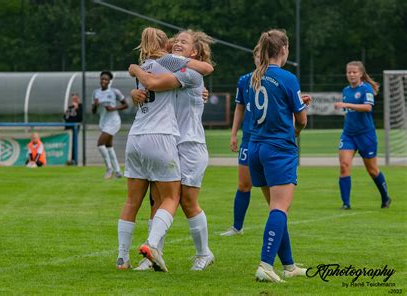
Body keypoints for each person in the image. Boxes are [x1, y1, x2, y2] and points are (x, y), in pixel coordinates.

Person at [116, 27, 213, 272]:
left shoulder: (190, 74)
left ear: (195, 51)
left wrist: (136, 70)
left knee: (187, 202)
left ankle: (203, 253)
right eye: (176, 40)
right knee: (158, 200)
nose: (178, 43)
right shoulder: (172, 66)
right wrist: (134, 91)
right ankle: (151, 256)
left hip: (189, 144)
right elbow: (151, 85)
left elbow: (154, 82)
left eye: (184, 41)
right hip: (167, 141)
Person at [247, 29, 309, 283]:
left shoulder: (254, 76)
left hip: (256, 148)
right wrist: (295, 129)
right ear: (284, 49)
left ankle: (289, 266)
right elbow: (301, 120)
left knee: (275, 208)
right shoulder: (287, 77)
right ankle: (265, 264)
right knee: (280, 208)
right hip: (278, 149)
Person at [334, 61, 391, 209]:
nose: (351, 74)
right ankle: (346, 204)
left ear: (361, 73)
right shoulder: (346, 90)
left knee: (372, 170)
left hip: (366, 135)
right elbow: (349, 114)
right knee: (344, 165)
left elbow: (367, 107)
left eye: (354, 72)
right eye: (349, 72)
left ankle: (385, 197)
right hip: (349, 135)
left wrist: (346, 105)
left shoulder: (365, 89)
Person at [221, 44, 260, 237]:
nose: (261, 59)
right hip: (249, 139)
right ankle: (237, 227)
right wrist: (234, 133)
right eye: (258, 56)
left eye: (264, 55)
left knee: (271, 186)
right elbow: (239, 108)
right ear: (254, 58)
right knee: (244, 184)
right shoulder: (244, 80)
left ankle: (279, 224)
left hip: (269, 139)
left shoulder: (277, 79)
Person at [92, 71, 128, 179]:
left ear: (109, 81)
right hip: (103, 122)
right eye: (102, 79)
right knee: (108, 146)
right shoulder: (95, 93)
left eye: (106, 79)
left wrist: (113, 108)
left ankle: (109, 170)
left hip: (113, 121)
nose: (103, 81)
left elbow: (126, 105)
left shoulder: (114, 92)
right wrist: (95, 105)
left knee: (100, 144)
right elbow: (93, 111)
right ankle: (118, 172)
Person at [63, 93, 82, 164]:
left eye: (76, 99)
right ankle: (67, 158)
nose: (74, 100)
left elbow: (80, 118)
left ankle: (74, 159)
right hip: (68, 128)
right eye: (73, 99)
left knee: (74, 144)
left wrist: (77, 109)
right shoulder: (70, 107)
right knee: (68, 144)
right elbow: (65, 117)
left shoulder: (80, 107)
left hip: (75, 129)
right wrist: (66, 113)